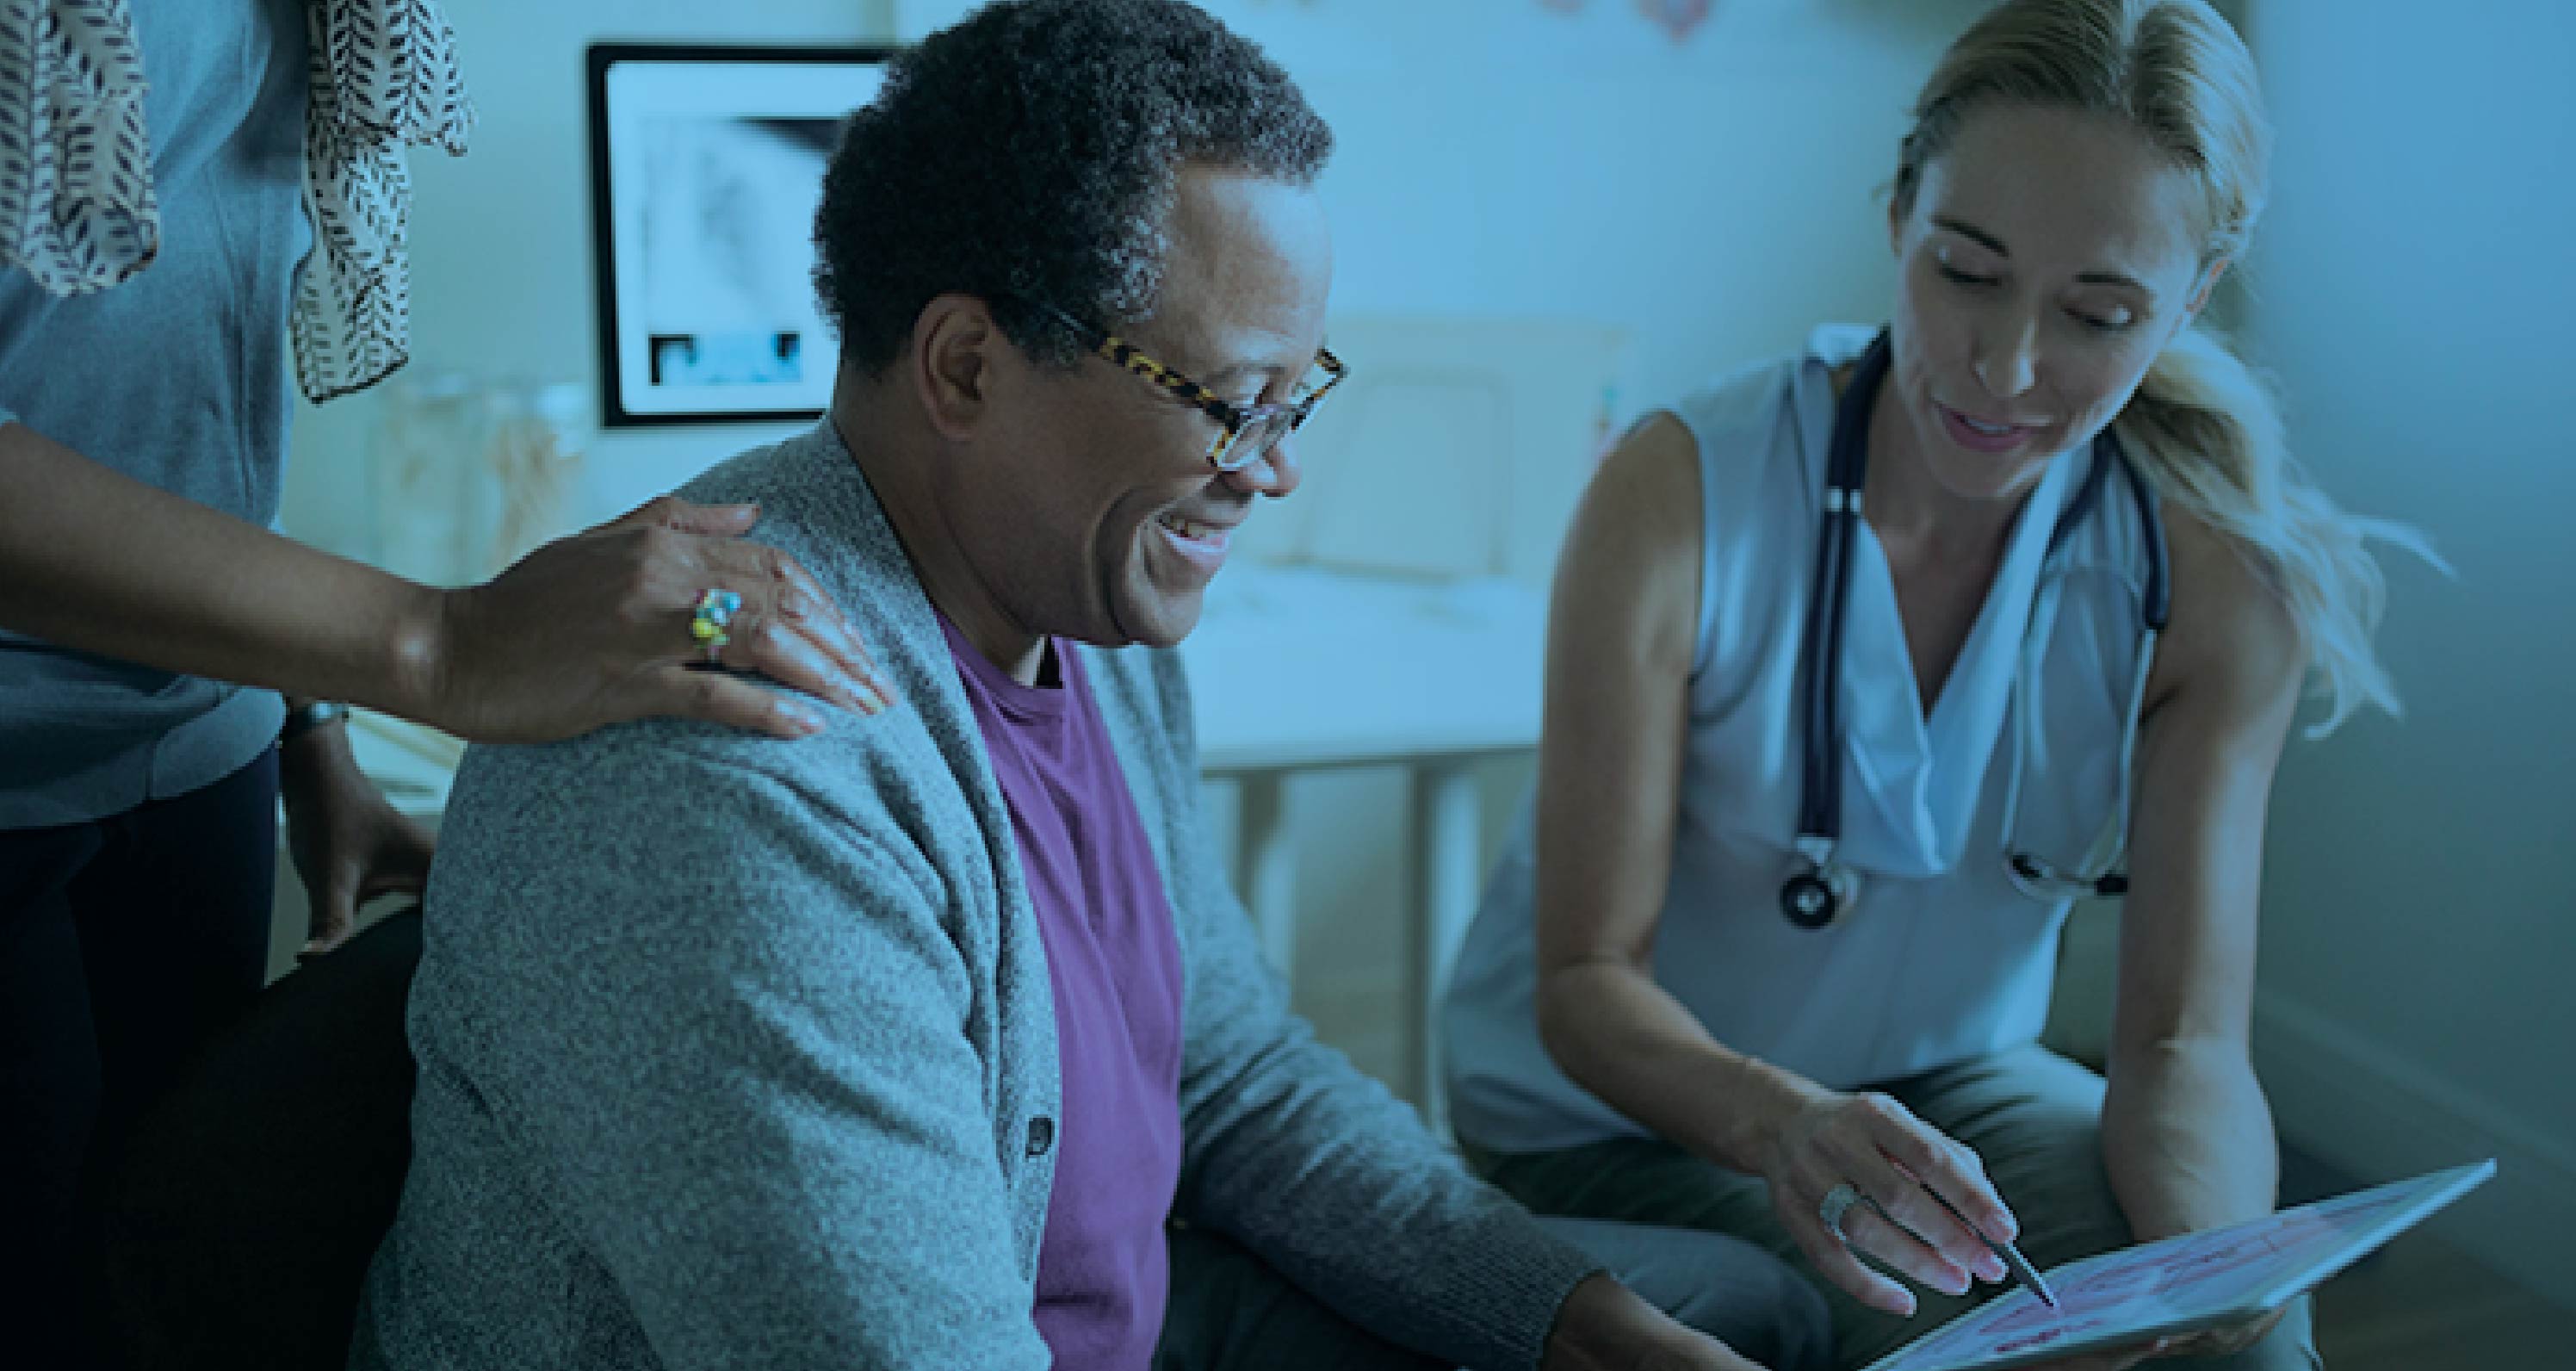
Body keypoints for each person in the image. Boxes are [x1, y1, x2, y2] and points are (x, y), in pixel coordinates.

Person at [350, 3, 1840, 1368]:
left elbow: (1236, 1078)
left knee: (1736, 1314)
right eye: (1228, 403)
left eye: (1297, 395)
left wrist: (1576, 1328)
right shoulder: (738, 759)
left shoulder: (1075, 606)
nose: (1274, 468)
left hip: (1122, 1324)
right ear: (965, 370)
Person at [1438, 2, 2419, 1368]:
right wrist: (1787, 1121)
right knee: (1996, 1347)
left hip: (1954, 1089)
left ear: (2192, 300)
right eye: (1967, 271)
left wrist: (2205, 1283)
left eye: (2098, 313)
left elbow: (2185, 1045)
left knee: (2242, 1338)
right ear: (1900, 211)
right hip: (1618, 1116)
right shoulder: (1681, 497)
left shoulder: (2211, 589)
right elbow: (1585, 984)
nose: (2006, 367)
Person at [0, 1, 889, 1362]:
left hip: (200, 751)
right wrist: (436, 644)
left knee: (181, 1292)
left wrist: (304, 713)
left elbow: (159, 355)